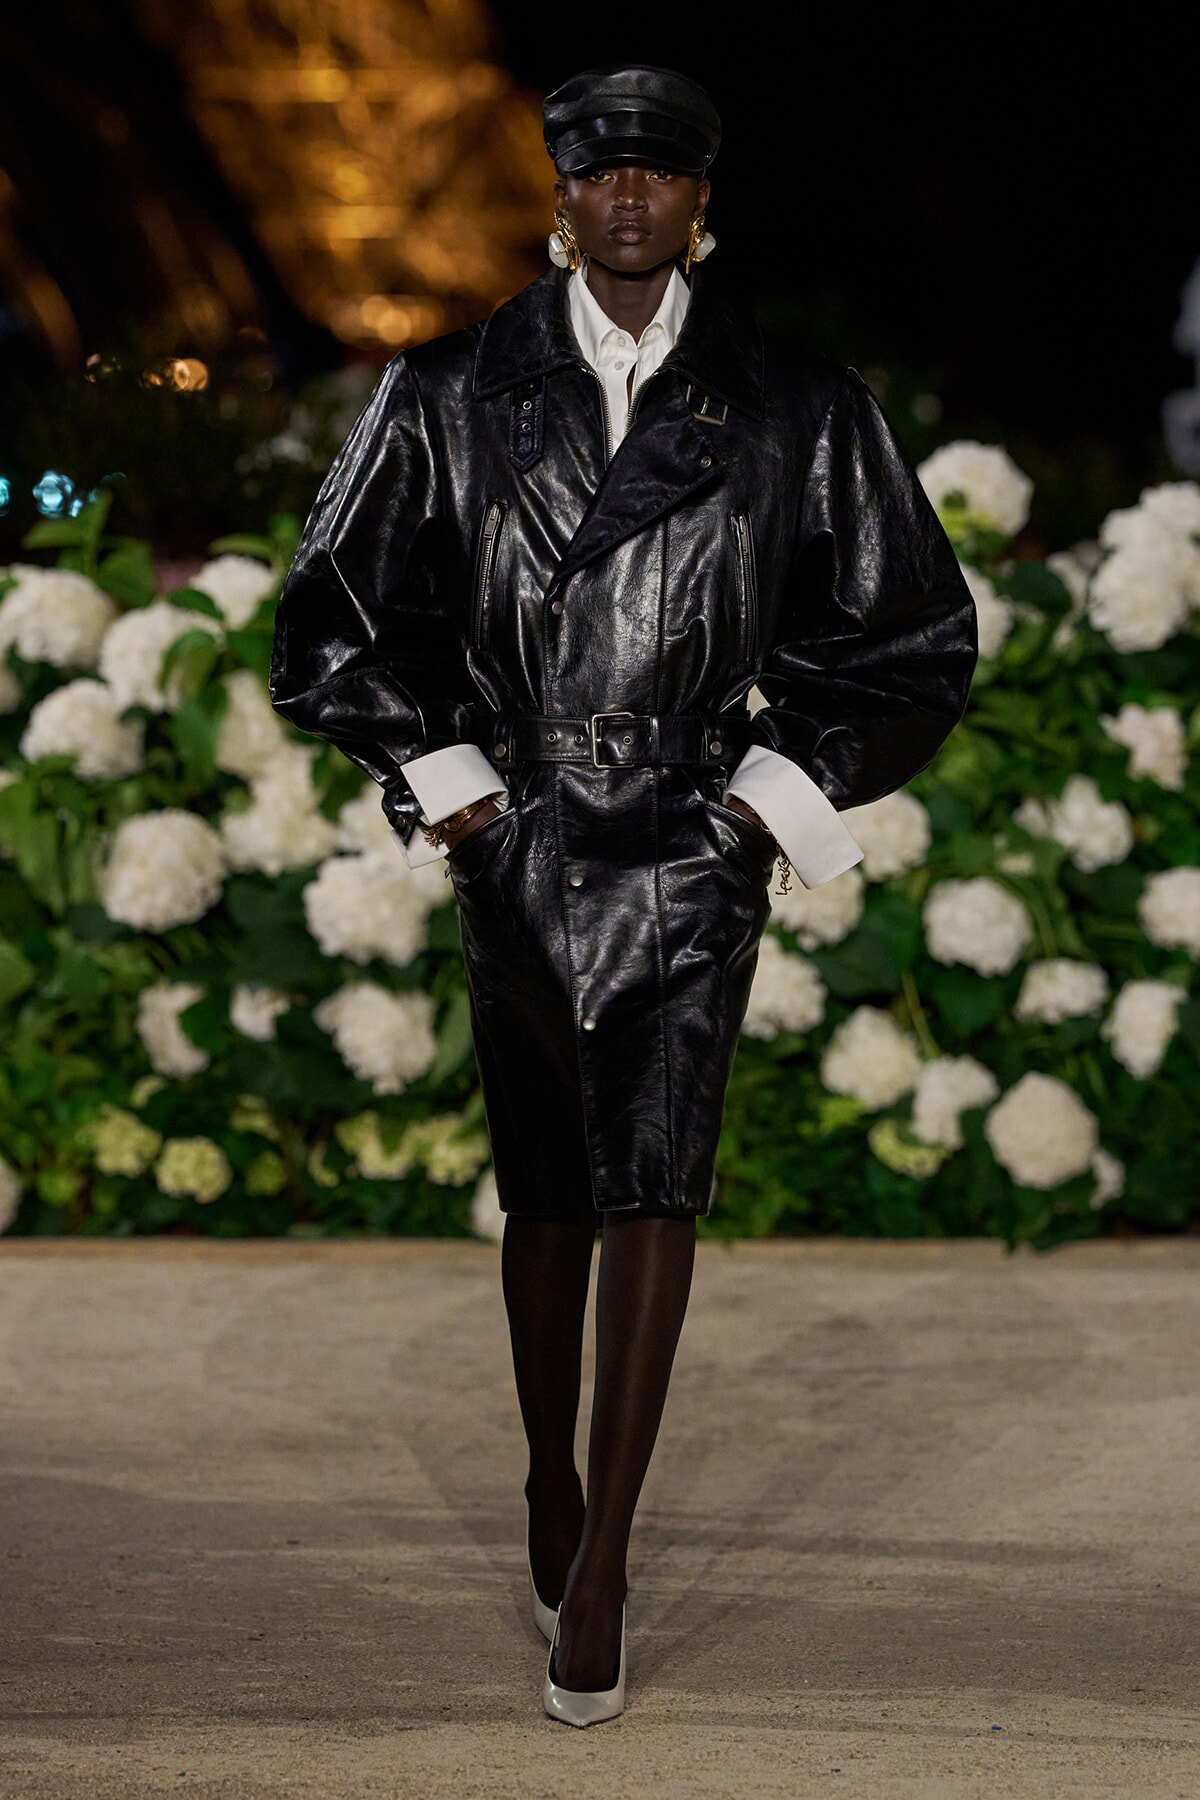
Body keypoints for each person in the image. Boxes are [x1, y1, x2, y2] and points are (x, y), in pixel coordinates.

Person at [270, 64, 977, 1726]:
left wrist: (766, 803)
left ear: (703, 202)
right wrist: (451, 790)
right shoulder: (447, 391)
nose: (634, 197)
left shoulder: (798, 403)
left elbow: (912, 636)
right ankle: (546, 1479)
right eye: (604, 171)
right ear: (562, 198)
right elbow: (330, 621)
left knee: (659, 1175)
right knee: (551, 1191)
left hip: (686, 835)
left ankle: (606, 1567)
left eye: (664, 171)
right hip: (520, 835)